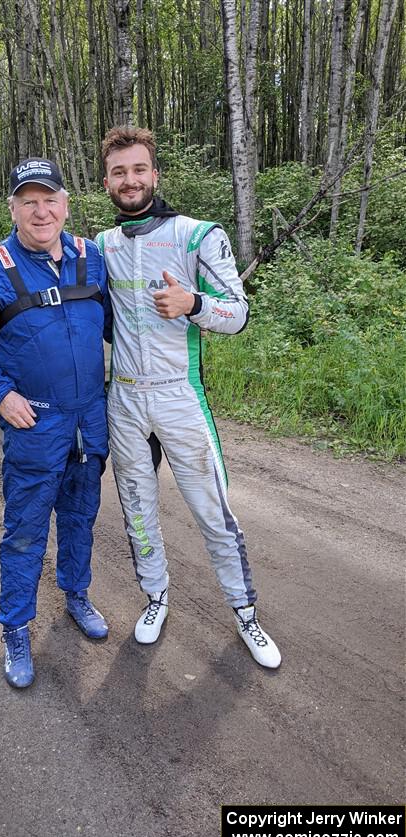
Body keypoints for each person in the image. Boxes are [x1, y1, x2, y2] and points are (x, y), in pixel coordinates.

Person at [97, 126, 281, 668]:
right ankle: (156, 598)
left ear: (155, 174)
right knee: (136, 509)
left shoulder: (199, 234)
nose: (129, 181)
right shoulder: (100, 246)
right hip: (124, 398)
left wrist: (193, 302)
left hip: (180, 396)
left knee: (212, 511)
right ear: (106, 181)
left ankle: (245, 612)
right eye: (118, 172)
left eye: (138, 170)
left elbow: (239, 314)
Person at [0, 158, 111, 689]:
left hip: (90, 420)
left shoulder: (93, 260)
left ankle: (77, 596)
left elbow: (122, 330)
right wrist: (2, 394)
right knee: (24, 533)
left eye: (50, 199)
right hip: (35, 423)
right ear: (13, 209)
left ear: (66, 204)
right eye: (28, 201)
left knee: (81, 518)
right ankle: (15, 627)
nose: (41, 211)